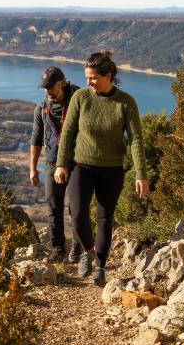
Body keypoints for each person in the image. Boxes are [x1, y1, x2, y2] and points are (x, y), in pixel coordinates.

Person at [54, 51, 148, 287]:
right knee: (77, 214)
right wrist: (61, 164)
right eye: (87, 78)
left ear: (108, 76)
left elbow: (136, 139)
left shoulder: (125, 102)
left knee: (104, 218)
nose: (88, 82)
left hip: (112, 169)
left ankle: (101, 266)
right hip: (81, 166)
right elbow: (68, 133)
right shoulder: (81, 98)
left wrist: (141, 174)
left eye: (93, 78)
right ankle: (87, 251)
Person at [30, 66, 81, 263]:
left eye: (51, 88)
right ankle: (58, 251)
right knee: (53, 208)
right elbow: (36, 139)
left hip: (78, 162)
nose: (48, 92)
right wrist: (33, 168)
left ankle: (79, 248)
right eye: (45, 88)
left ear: (63, 84)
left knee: (77, 209)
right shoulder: (42, 108)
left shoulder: (80, 100)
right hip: (52, 162)